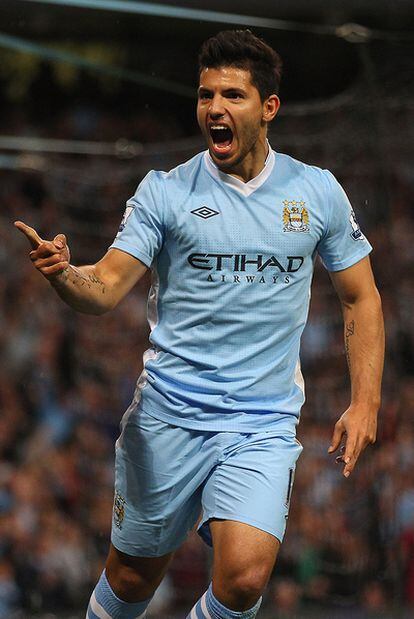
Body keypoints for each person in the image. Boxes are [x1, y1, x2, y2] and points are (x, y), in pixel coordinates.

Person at [15, 29, 384, 619]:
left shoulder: (316, 192)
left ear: (268, 108)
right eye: (206, 95)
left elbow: (361, 298)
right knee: (133, 578)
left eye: (233, 95)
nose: (215, 108)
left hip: (260, 421)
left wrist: (366, 402)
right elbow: (104, 288)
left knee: (244, 579)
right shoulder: (164, 193)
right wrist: (65, 275)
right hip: (169, 414)